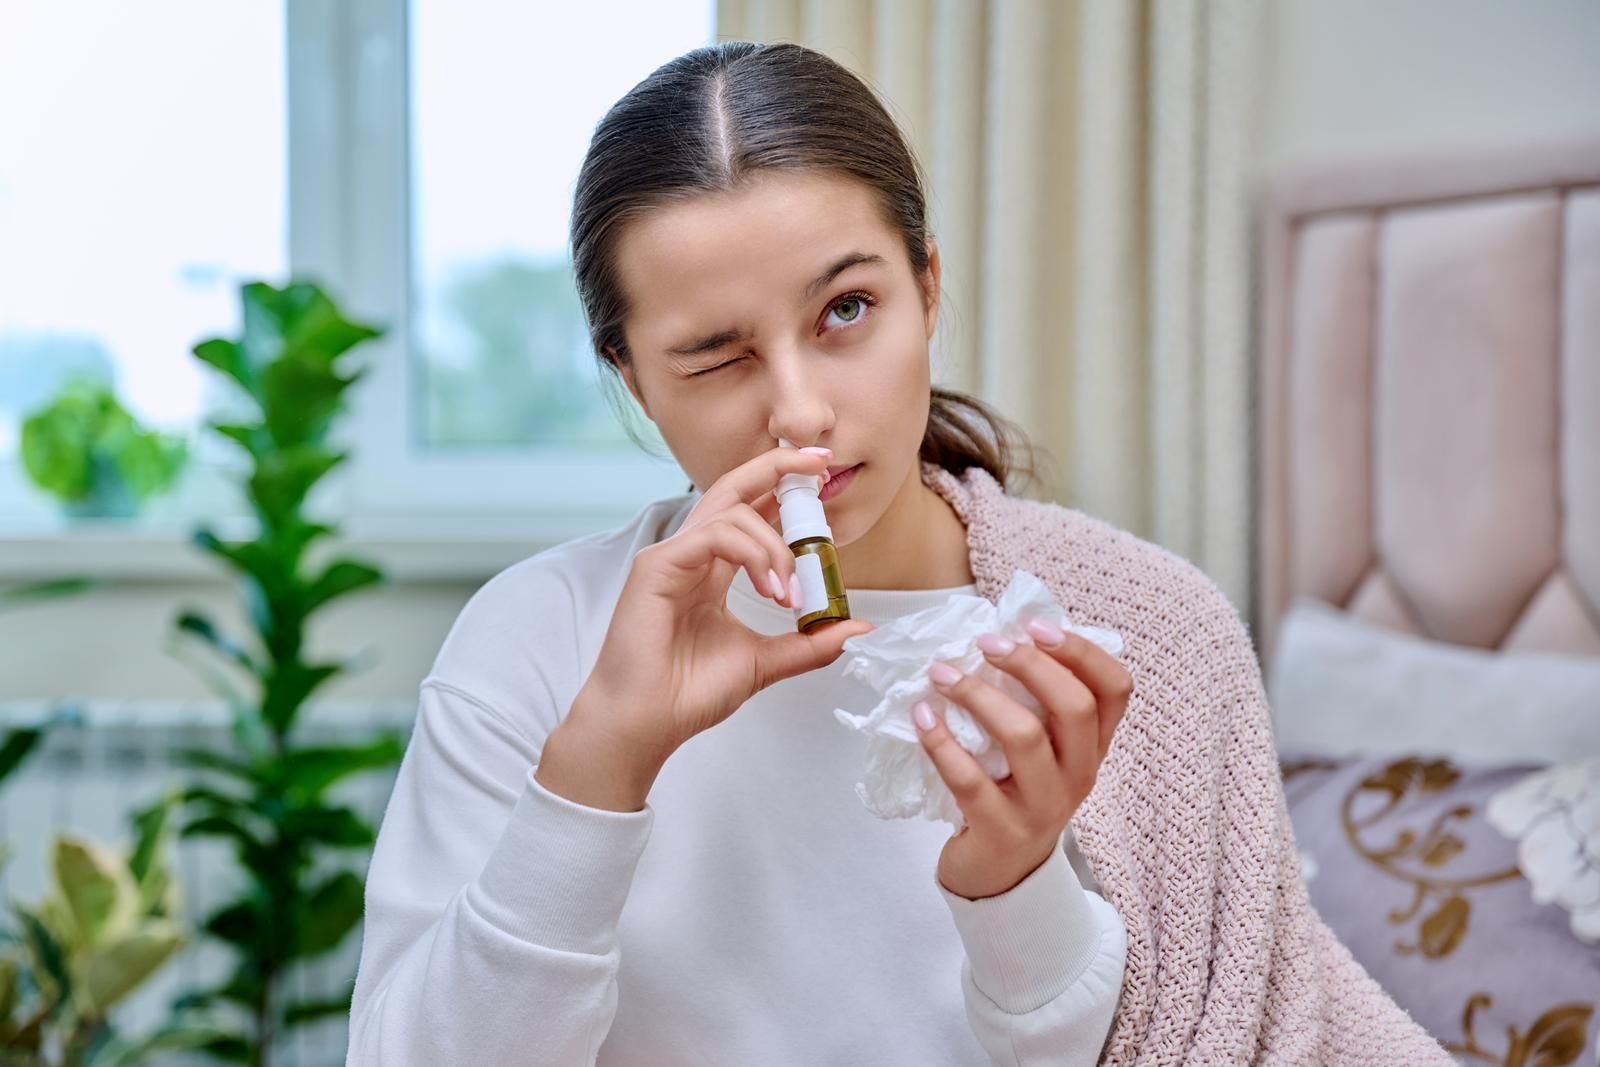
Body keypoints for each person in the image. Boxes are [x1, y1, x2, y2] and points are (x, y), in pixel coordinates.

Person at [347, 41, 1452, 1067]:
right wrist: (596, 769)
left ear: (926, 287)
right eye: (715, 357)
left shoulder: (1143, 632)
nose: (800, 411)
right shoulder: (533, 638)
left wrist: (1012, 885)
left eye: (846, 309)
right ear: (633, 377)